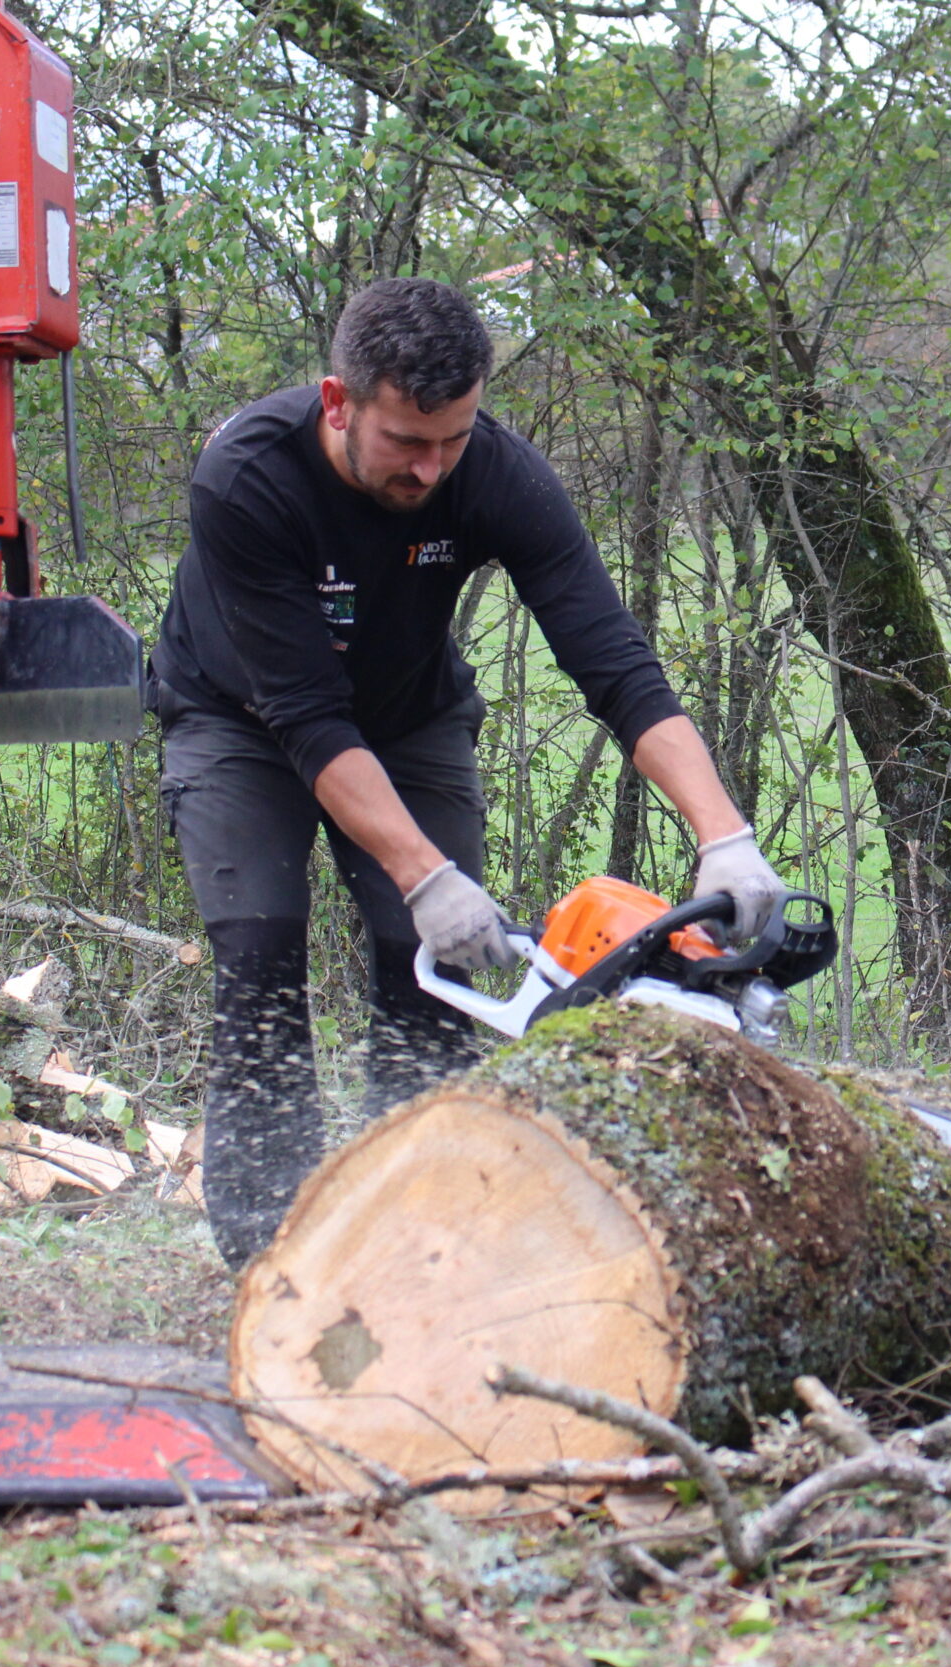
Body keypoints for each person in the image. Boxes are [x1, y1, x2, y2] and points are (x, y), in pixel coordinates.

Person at [150, 278, 786, 1268]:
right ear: (337, 402)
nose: (432, 467)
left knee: (439, 975)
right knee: (260, 961)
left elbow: (615, 666)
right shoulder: (247, 478)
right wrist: (423, 874)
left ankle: (413, 1236)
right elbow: (307, 720)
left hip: (407, 716)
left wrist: (724, 836)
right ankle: (267, 1257)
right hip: (239, 720)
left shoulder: (495, 475)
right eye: (407, 440)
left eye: (452, 438)